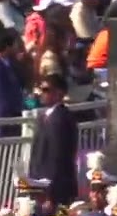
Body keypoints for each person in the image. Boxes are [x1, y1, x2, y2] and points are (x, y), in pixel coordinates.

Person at [27, 73, 79, 207]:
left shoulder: (61, 118)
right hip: (40, 188)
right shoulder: (44, 117)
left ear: (59, 93)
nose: (41, 93)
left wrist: (50, 194)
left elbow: (58, 158)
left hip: (55, 191)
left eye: (46, 90)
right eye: (40, 89)